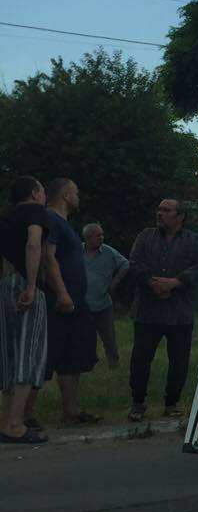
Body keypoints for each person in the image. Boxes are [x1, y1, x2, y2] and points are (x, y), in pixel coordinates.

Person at [28, 177, 101, 428]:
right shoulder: (50, 219)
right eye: (76, 193)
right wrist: (61, 293)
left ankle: (71, 412)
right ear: (66, 196)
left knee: (72, 358)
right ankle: (25, 415)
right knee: (45, 355)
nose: (78, 198)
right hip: (58, 302)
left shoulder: (66, 224)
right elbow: (48, 258)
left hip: (75, 303)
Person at [127, 198, 198, 422]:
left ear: (180, 215)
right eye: (159, 209)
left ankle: (171, 403)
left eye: (166, 210)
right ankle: (138, 403)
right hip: (147, 309)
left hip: (179, 312)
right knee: (141, 359)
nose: (160, 213)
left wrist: (174, 283)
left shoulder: (194, 241)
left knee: (179, 360)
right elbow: (134, 263)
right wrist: (153, 283)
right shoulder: (146, 236)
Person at [0, 176, 49, 445]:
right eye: (42, 190)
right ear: (33, 192)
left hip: (5, 283)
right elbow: (33, 243)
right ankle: (16, 424)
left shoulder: (6, 218)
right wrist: (30, 286)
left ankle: (5, 421)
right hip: (24, 283)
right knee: (28, 352)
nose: (44, 195)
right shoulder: (36, 211)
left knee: (7, 354)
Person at [82, 223, 128, 369]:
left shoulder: (108, 252)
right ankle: (88, 363)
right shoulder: (76, 251)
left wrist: (114, 283)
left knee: (109, 337)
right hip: (83, 304)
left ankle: (113, 362)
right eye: (98, 235)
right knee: (85, 337)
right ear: (88, 238)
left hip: (103, 304)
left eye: (102, 234)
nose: (102, 237)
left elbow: (125, 264)